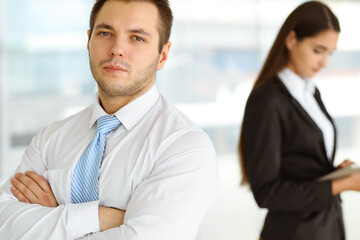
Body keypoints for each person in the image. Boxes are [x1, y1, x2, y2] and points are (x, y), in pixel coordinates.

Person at [0, 0, 219, 239]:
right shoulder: (51, 137)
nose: (116, 49)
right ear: (88, 41)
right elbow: (4, 222)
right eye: (105, 33)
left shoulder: (184, 146)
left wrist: (54, 215)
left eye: (137, 38)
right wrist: (99, 217)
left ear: (162, 56)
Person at [238, 1, 360, 240]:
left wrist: (334, 174)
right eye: (318, 50)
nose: (325, 62)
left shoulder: (310, 92)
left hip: (326, 227)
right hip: (292, 232)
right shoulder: (268, 100)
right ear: (291, 40)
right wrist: (340, 186)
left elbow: (301, 167)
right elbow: (267, 193)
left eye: (329, 53)